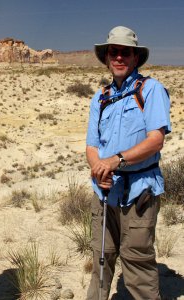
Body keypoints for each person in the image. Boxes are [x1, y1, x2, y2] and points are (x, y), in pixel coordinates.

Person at [86, 26, 171, 299]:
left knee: (137, 263)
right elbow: (91, 145)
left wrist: (116, 160)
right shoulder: (100, 97)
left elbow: (156, 140)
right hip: (105, 192)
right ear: (107, 58)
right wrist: (98, 169)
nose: (119, 57)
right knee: (101, 259)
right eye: (114, 52)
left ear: (135, 58)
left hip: (139, 193)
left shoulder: (151, 90)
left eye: (126, 52)